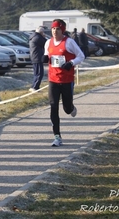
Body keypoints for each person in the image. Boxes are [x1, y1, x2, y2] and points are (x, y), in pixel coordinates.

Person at [42, 19, 85, 147]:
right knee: (53, 106)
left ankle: (71, 107)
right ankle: (57, 136)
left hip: (66, 80)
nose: (55, 31)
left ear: (63, 30)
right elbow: (47, 54)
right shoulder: (48, 42)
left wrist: (71, 63)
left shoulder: (69, 42)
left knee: (66, 109)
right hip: (53, 80)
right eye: (53, 29)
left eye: (58, 29)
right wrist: (44, 57)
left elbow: (81, 56)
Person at [29, 27, 47, 92]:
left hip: (34, 56)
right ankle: (35, 87)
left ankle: (35, 86)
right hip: (37, 57)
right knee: (39, 73)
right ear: (41, 32)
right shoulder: (38, 37)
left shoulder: (33, 36)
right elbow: (46, 43)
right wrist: (44, 37)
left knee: (36, 73)